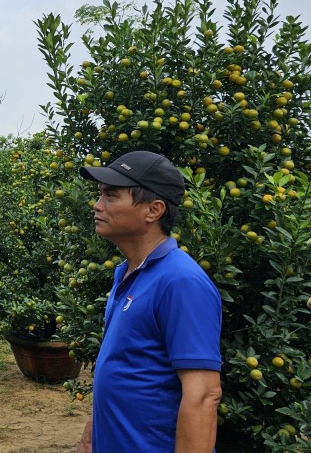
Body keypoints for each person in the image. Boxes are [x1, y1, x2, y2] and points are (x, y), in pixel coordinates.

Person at [75, 150, 222, 453]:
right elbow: (122, 367)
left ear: (153, 210)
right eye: (99, 194)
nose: (97, 205)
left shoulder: (180, 282)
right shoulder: (128, 274)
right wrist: (92, 436)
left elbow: (204, 394)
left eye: (111, 196)